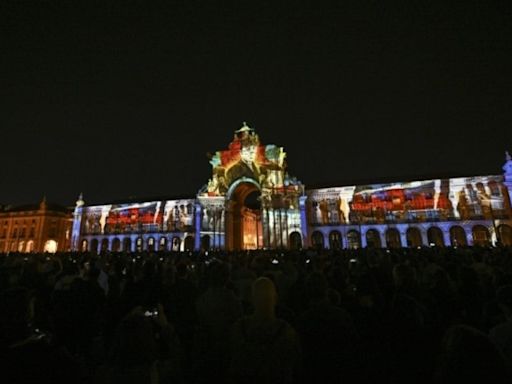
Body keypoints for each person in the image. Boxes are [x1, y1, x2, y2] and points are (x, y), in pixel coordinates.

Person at [229, 277, 300, 384]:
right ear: (275, 298)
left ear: (252, 299)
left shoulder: (239, 329)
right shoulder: (287, 332)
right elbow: (296, 366)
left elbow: (232, 365)